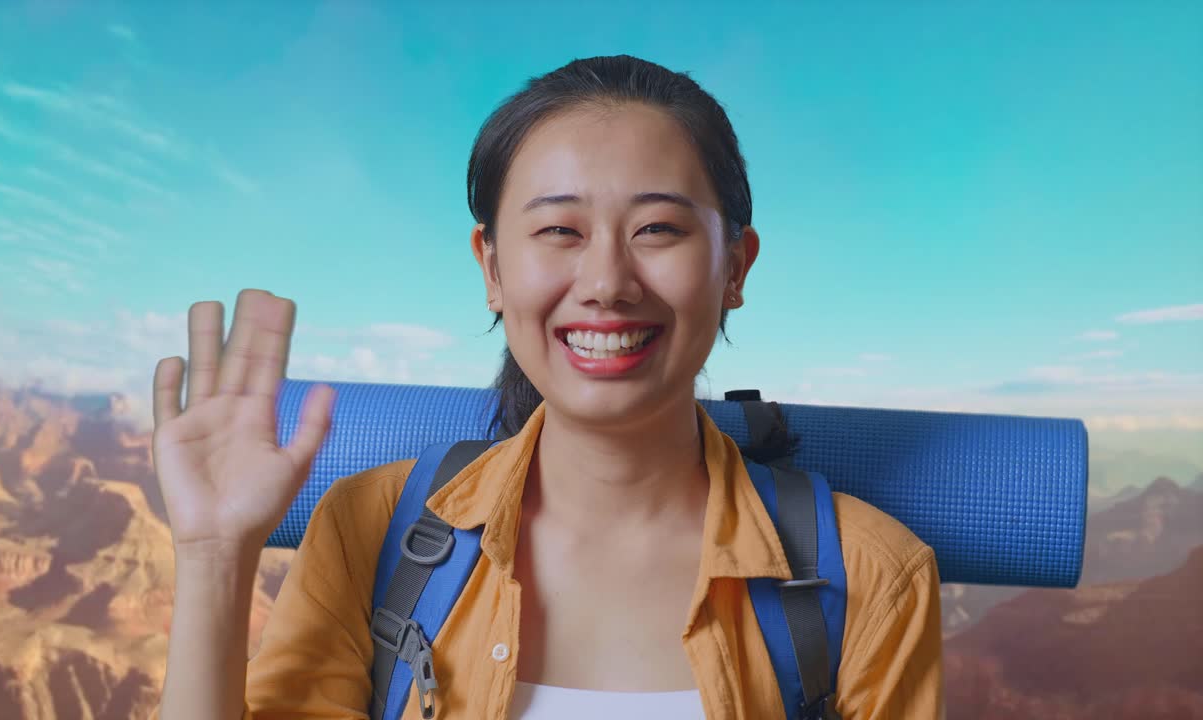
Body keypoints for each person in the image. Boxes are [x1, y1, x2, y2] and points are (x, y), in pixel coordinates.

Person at [151, 55, 943, 720]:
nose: (606, 282)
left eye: (658, 229)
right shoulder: (369, 532)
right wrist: (216, 557)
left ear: (734, 268)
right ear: (492, 268)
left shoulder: (875, 578)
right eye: (559, 231)